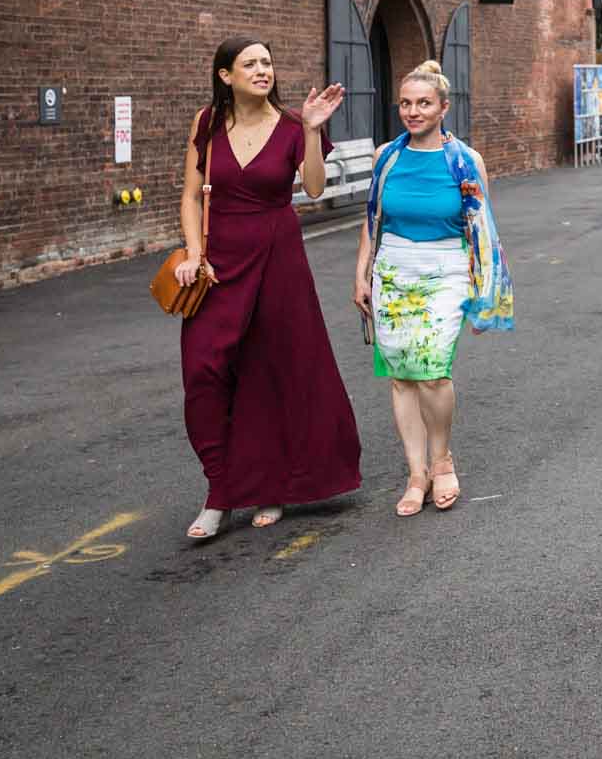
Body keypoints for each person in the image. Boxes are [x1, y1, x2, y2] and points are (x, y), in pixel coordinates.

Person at [176, 38, 362, 540]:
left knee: (269, 373)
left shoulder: (289, 125)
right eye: (250, 64)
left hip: (278, 258)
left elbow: (317, 189)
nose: (262, 71)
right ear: (225, 76)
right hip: (218, 264)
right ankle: (220, 487)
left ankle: (270, 486)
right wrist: (193, 254)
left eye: (267, 63)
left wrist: (311, 129)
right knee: (204, 373)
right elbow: (191, 197)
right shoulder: (206, 123)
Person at [353, 60, 512, 517]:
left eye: (423, 103)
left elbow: (483, 231)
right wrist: (362, 272)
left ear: (444, 107)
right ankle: (416, 472)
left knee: (434, 370)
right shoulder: (387, 156)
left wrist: (488, 294)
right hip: (393, 270)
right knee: (402, 375)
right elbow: (373, 220)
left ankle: (442, 460)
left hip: (446, 269)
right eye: (405, 103)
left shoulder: (464, 160)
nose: (413, 111)